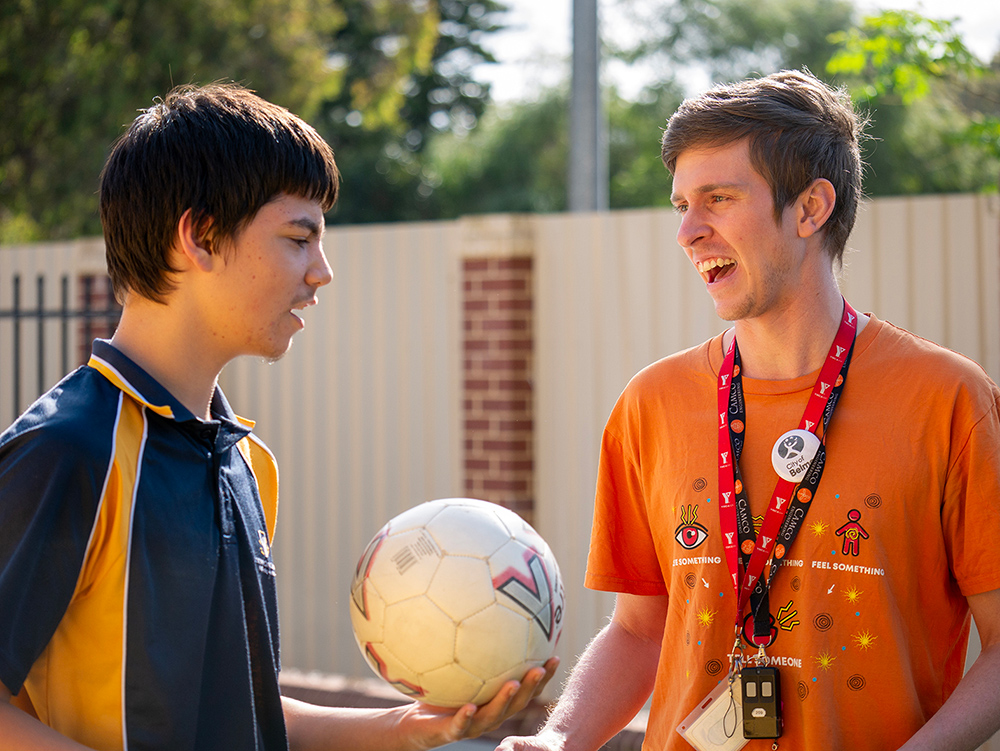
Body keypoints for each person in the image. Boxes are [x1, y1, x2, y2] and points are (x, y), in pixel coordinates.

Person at [0, 82, 555, 751]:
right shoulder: (69, 449)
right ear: (200, 236)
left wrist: (404, 728)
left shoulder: (243, 461)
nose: (322, 272)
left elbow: (240, 708)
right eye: (299, 238)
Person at [498, 69, 1000, 751]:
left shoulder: (947, 400)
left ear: (810, 208)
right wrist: (559, 737)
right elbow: (641, 629)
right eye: (681, 203)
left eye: (718, 198)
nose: (687, 230)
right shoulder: (650, 405)